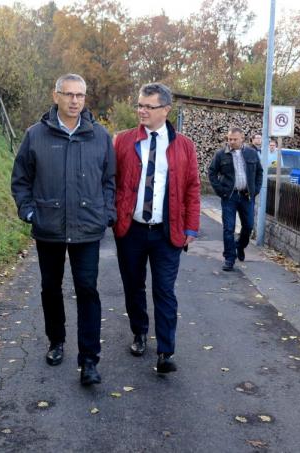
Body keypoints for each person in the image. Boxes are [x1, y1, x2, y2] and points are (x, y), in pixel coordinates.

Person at [11, 73, 116, 386]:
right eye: (68, 94)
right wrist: (29, 211)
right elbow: (21, 179)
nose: (74, 101)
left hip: (87, 227)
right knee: (50, 288)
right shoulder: (35, 135)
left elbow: (109, 180)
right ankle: (56, 340)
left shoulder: (100, 136)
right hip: (49, 227)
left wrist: (106, 213)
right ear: (55, 95)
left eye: (80, 95)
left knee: (87, 290)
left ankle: (89, 360)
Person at [113, 82, 200, 374]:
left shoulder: (184, 146)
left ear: (166, 110)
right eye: (140, 105)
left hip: (167, 232)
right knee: (133, 286)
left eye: (149, 106)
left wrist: (191, 228)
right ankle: (139, 332)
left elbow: (192, 188)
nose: (142, 111)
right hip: (131, 230)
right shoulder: (123, 141)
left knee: (164, 290)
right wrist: (112, 215)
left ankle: (165, 351)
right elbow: (112, 181)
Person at [208, 127, 263, 271]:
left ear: (242, 139)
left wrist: (255, 190)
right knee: (229, 228)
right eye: (229, 139)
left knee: (248, 226)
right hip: (229, 196)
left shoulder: (251, 153)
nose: (231, 142)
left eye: (234, 139)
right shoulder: (221, 154)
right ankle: (229, 258)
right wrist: (221, 191)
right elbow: (212, 173)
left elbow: (259, 172)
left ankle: (240, 246)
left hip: (247, 196)